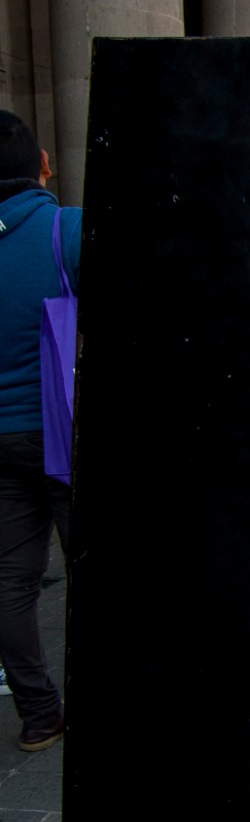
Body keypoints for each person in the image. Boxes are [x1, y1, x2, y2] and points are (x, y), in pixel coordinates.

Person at [0, 110, 82, 752]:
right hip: (63, 434)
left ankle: (38, 714)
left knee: (10, 580)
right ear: (44, 164)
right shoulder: (65, 229)